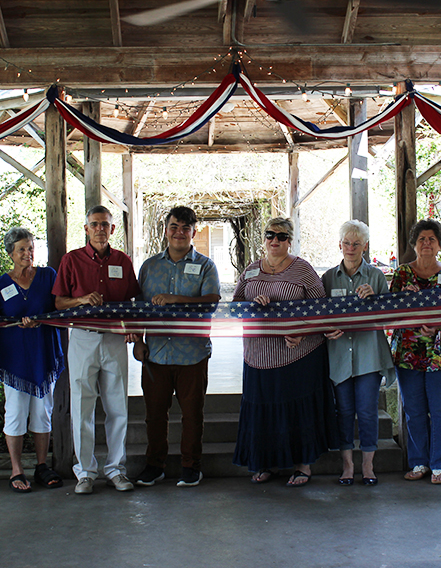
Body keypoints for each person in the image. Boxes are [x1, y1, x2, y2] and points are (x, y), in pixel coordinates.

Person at [232, 217, 337, 487]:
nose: (274, 241)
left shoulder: (303, 270)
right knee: (263, 411)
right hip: (257, 355)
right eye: (270, 235)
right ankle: (266, 463)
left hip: (297, 355)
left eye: (281, 236)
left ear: (290, 240)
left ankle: (303, 466)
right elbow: (235, 306)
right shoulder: (252, 270)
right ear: (264, 239)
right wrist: (252, 303)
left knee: (296, 410)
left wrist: (302, 331)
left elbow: (321, 309)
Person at [53, 205, 140, 494]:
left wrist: (133, 329)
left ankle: (116, 469)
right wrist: (80, 301)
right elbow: (58, 303)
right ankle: (85, 473)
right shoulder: (72, 260)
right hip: (82, 338)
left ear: (112, 229)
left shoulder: (123, 261)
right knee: (82, 407)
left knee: (118, 407)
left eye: (105, 224)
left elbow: (132, 301)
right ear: (86, 229)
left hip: (115, 339)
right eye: (95, 224)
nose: (100, 229)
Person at [132, 206, 221, 488]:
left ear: (194, 232)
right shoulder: (149, 266)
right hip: (155, 353)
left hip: (192, 353)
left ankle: (190, 467)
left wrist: (175, 299)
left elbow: (212, 301)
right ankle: (154, 466)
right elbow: (137, 309)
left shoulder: (206, 266)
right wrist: (138, 341)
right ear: (166, 230)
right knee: (154, 416)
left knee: (192, 415)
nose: (179, 233)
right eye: (174, 227)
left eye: (185, 228)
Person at [322, 220, 395, 486]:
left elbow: (388, 317)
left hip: (368, 356)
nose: (351, 248)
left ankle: (368, 465)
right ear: (339, 245)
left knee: (367, 412)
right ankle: (347, 464)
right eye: (346, 243)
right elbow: (321, 316)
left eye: (356, 243)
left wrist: (375, 297)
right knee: (343, 411)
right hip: (339, 355)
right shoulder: (328, 278)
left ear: (365, 246)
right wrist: (327, 329)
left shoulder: (376, 276)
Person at [390, 219, 441, 485]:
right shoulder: (401, 274)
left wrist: (438, 325)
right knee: (414, 410)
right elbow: (390, 312)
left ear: (439, 244)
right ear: (414, 243)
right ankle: (419, 462)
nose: (427, 243)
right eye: (422, 239)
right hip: (408, 352)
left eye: (432, 239)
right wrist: (404, 299)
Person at [0, 228, 64, 492]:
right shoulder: (2, 283)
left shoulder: (48, 275)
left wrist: (39, 320)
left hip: (42, 354)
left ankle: (41, 466)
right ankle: (16, 469)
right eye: (22, 249)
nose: (28, 253)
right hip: (14, 358)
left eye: (30, 248)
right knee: (15, 412)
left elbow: (60, 305)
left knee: (42, 411)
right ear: (11, 254)